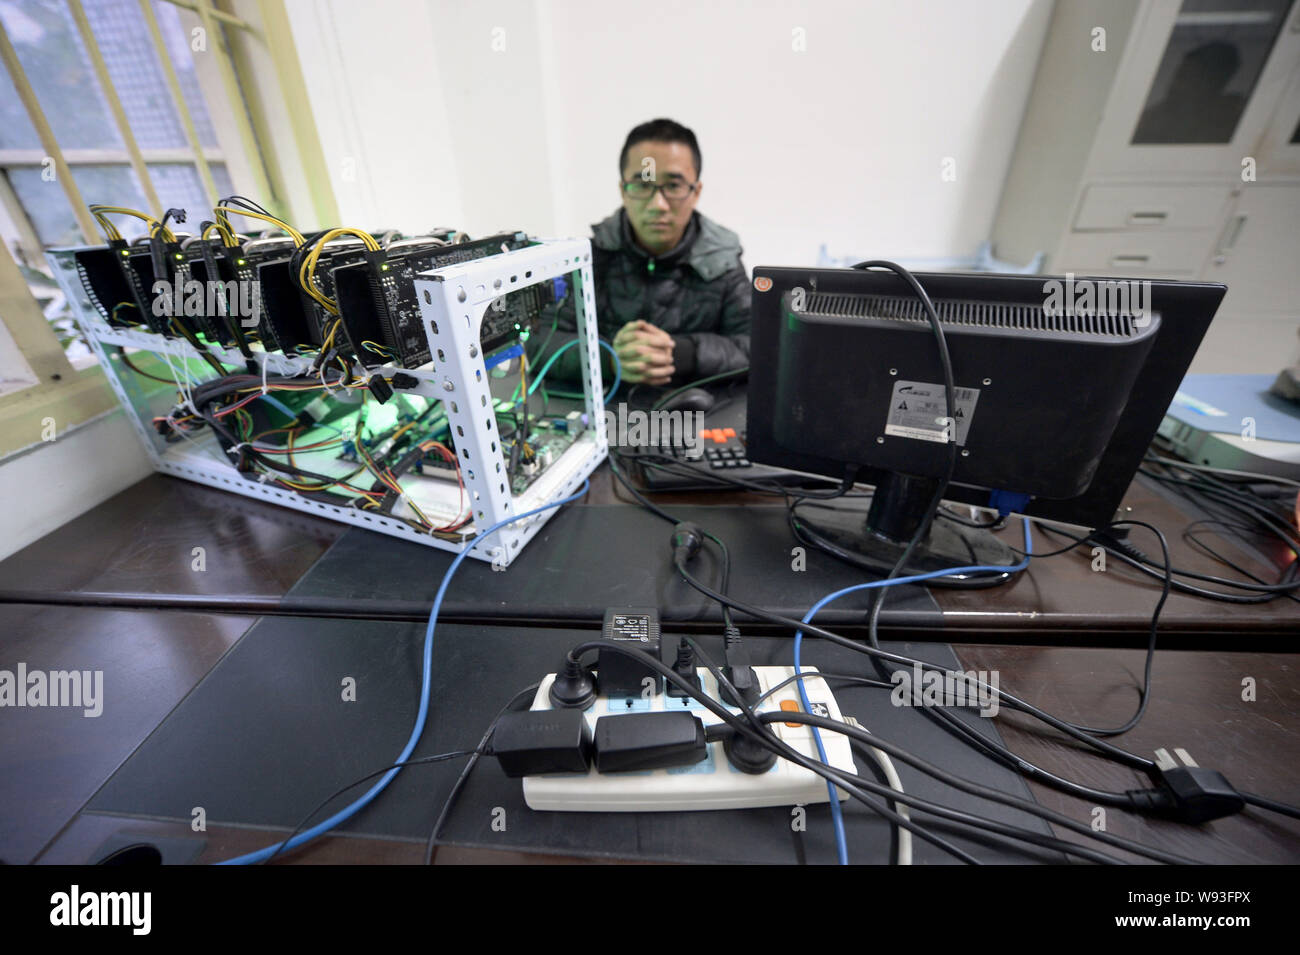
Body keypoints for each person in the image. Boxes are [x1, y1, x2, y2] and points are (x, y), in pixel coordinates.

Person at [532, 118, 751, 392]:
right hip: (609, 416)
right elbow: (540, 344)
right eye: (642, 185)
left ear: (696, 192)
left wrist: (683, 354)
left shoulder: (722, 261)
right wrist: (609, 358)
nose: (658, 204)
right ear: (623, 191)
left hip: (697, 417)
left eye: (673, 186)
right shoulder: (590, 259)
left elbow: (757, 347)